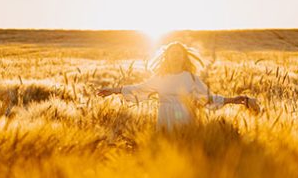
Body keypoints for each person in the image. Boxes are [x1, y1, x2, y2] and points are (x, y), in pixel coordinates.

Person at [97, 42, 260, 131]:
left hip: (186, 120)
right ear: (166, 57)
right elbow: (139, 88)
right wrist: (114, 90)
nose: (175, 56)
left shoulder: (190, 78)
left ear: (184, 58)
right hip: (164, 119)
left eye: (179, 53)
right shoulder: (160, 78)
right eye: (172, 53)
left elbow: (209, 98)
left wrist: (234, 100)